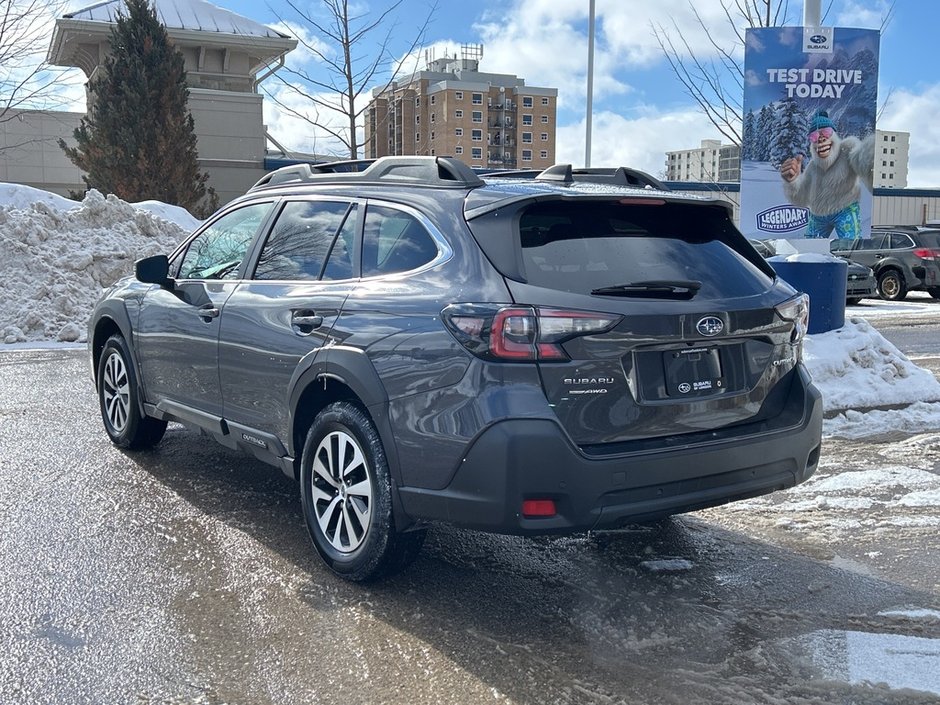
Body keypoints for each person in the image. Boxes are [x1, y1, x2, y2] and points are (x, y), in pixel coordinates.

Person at [779, 110, 874, 239]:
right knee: (809, 249)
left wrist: (870, 154)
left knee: (851, 246)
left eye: (826, 132)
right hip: (818, 215)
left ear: (834, 135)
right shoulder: (812, 167)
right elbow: (801, 198)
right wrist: (792, 182)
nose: (821, 138)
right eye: (814, 136)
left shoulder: (847, 149)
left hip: (845, 209)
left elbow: (861, 159)